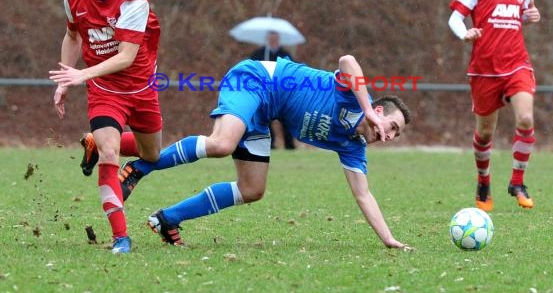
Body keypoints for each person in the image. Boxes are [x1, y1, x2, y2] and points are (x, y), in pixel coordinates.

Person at [118, 55, 413, 250]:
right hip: (255, 80)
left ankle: (168, 218)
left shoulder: (352, 146)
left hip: (265, 113)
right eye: (392, 126)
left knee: (252, 189)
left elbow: (363, 194)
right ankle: (140, 168)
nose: (388, 135)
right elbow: (347, 61)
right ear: (376, 110)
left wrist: (388, 239)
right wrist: (364, 109)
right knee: (222, 144)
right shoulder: (353, 94)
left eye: (395, 134)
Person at [49, 0, 164, 254]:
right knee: (111, 154)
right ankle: (121, 238)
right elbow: (73, 37)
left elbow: (126, 57)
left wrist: (81, 74)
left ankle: (93, 143)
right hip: (105, 90)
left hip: (141, 88)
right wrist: (64, 78)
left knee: (151, 155)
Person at [448, 0, 541, 212]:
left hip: (517, 64)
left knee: (525, 118)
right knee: (485, 134)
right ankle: (483, 181)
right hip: (485, 69)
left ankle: (517, 181)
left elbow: (519, 15)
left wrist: (530, 16)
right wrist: (465, 34)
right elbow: (454, 17)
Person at [249, 31, 296, 149]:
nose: (273, 40)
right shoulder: (258, 54)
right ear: (267, 38)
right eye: (271, 37)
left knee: (286, 120)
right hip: (264, 92)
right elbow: (252, 71)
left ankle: (289, 145)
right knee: (264, 119)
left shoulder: (285, 55)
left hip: (282, 93)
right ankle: (270, 145)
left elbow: (292, 72)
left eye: (275, 37)